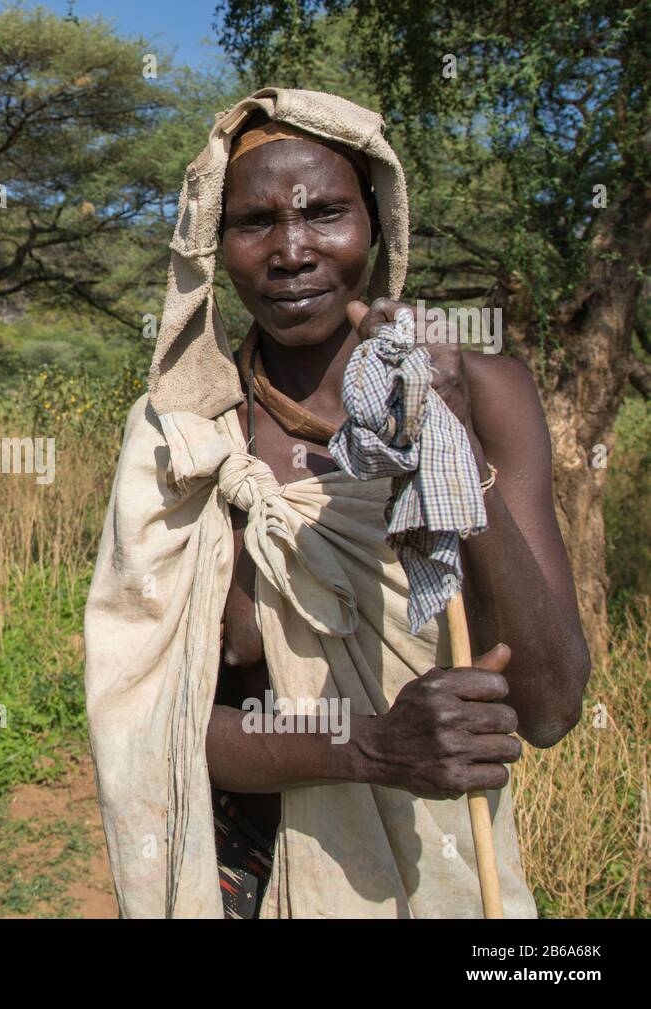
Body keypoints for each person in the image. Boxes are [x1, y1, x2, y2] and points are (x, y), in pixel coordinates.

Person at [84, 88, 590, 918]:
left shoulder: (483, 394)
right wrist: (370, 748)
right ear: (215, 248)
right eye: (255, 224)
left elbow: (550, 706)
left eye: (325, 213)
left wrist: (450, 446)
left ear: (378, 228)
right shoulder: (182, 439)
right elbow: (154, 729)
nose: (292, 251)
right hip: (236, 874)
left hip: (441, 878)